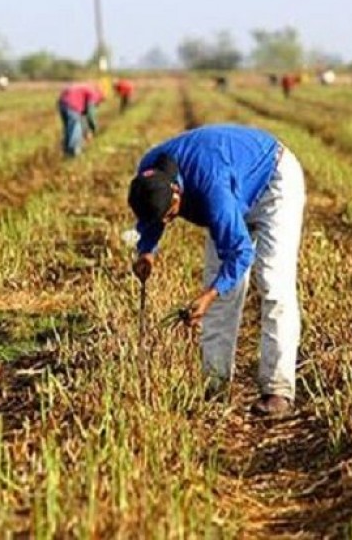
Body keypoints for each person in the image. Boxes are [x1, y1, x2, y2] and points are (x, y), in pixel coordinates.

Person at [127, 124, 306, 416]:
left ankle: (277, 390)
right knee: (224, 292)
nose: (170, 221)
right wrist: (147, 249)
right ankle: (215, 385)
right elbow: (151, 217)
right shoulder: (149, 173)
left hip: (273, 182)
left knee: (273, 283)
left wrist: (208, 295)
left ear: (176, 191)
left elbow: (240, 252)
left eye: (172, 214)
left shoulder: (211, 190)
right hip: (232, 180)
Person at [57, 82, 104, 157]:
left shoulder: (86, 89)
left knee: (68, 129)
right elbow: (91, 114)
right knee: (76, 129)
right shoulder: (94, 94)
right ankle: (74, 152)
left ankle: (66, 151)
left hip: (62, 103)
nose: (97, 105)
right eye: (98, 103)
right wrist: (93, 128)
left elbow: (83, 117)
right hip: (73, 105)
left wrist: (86, 131)